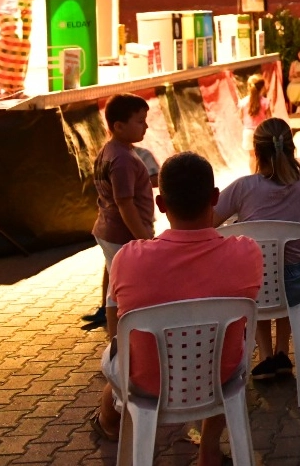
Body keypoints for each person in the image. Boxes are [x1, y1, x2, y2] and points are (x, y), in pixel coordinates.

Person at [92, 153, 262, 466]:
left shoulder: (128, 259)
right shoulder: (247, 252)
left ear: (160, 204)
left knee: (116, 353)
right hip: (219, 378)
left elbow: (115, 328)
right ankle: (209, 450)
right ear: (214, 198)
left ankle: (108, 419)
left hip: (146, 382)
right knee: (229, 346)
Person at [214, 118, 300, 379]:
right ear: (290, 148)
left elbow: (210, 221)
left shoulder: (244, 187)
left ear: (257, 152)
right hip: (298, 283)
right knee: (283, 271)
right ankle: (282, 352)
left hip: (257, 289)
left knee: (257, 271)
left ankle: (266, 356)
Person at [86, 94, 154, 329]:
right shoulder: (122, 158)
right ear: (118, 126)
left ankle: (112, 324)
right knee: (124, 287)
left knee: (114, 276)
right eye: (140, 121)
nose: (146, 126)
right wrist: (144, 238)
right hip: (123, 233)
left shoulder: (111, 150)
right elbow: (125, 203)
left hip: (109, 229)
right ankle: (117, 337)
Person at [239, 74, 270, 152]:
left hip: (248, 132)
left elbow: (241, 118)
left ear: (249, 87)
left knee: (252, 156)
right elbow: (270, 120)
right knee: (263, 157)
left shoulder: (243, 102)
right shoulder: (265, 102)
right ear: (262, 88)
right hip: (261, 132)